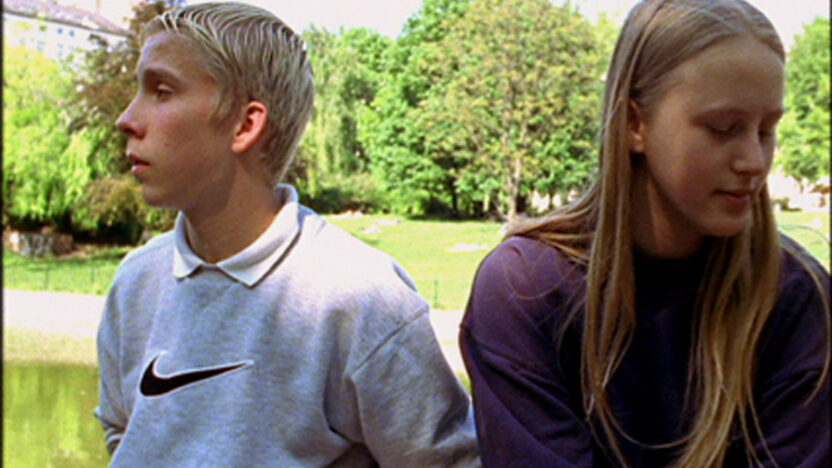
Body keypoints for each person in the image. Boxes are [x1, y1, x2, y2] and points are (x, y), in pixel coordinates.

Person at [95, 2, 480, 466]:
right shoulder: (136, 281)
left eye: (161, 91)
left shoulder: (360, 298)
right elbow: (124, 431)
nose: (126, 118)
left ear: (245, 125)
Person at [460, 0, 830, 466]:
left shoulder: (794, 296)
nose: (754, 162)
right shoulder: (525, 291)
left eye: (766, 130)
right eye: (723, 128)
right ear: (635, 123)